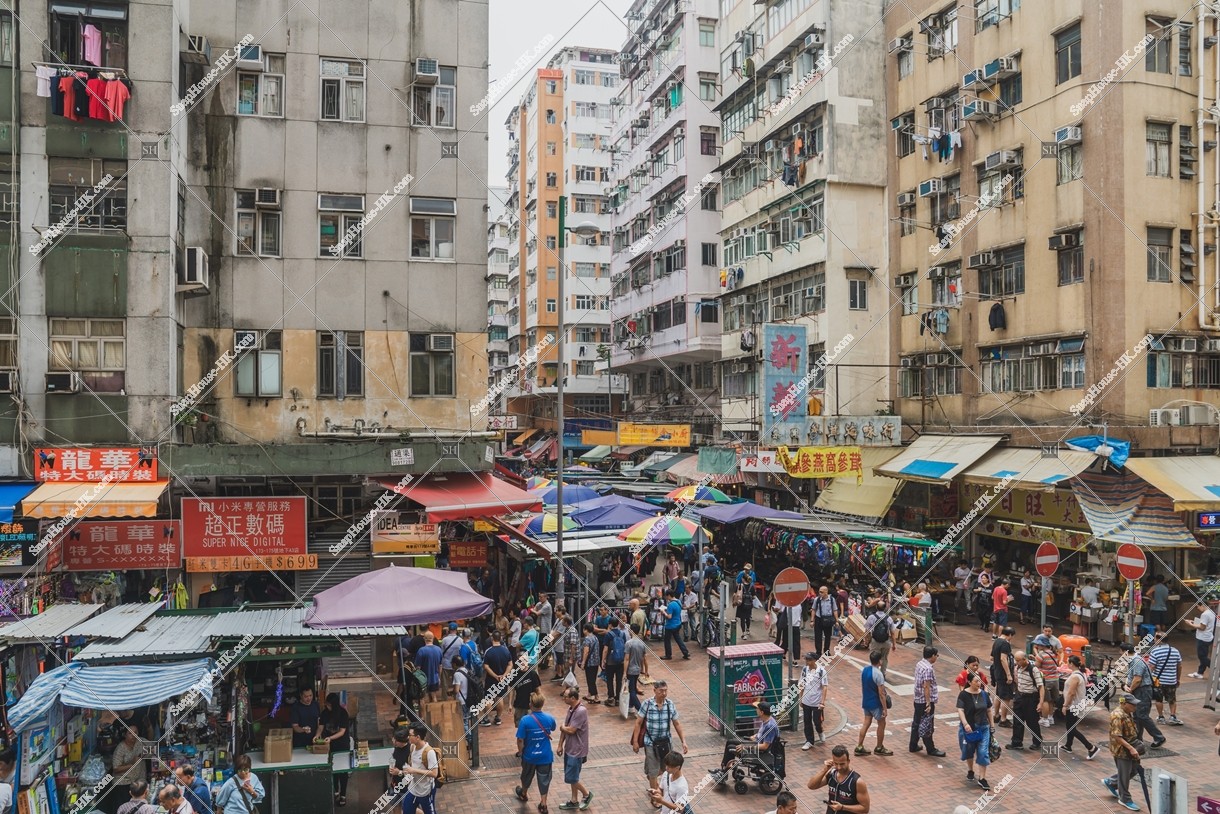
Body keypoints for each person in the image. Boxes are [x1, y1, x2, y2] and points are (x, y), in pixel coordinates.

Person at [632, 681, 689, 797]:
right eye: (661, 691)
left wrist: (684, 741)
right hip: (650, 743)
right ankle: (655, 797)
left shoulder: (670, 704)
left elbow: (676, 724)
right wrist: (635, 742)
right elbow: (638, 723)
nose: (663, 693)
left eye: (665, 691)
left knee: (666, 769)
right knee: (653, 771)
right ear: (655, 691)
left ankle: (655, 785)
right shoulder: (647, 704)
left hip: (666, 743)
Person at [515, 692, 557, 814]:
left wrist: (520, 751)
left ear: (530, 704)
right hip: (545, 755)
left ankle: (524, 793)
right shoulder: (549, 718)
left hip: (529, 755)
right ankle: (543, 804)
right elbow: (553, 728)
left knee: (526, 775)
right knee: (544, 779)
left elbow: (520, 739)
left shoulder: (525, 720)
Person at [1102, 694, 1143, 812]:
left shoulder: (1127, 712)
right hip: (1122, 750)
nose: (1135, 706)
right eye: (1133, 704)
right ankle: (1125, 799)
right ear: (1124, 704)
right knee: (1125, 775)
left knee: (1134, 770)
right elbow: (1117, 736)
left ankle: (1111, 782)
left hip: (1130, 746)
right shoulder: (1117, 716)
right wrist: (1131, 748)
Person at [1122, 642, 1166, 749]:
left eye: (1122, 652)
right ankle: (1137, 739)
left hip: (1143, 691)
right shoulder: (1134, 661)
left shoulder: (1137, 662)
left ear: (1126, 652)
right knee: (1137, 716)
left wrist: (1130, 690)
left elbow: (1137, 679)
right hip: (1139, 690)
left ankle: (1159, 737)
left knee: (1142, 715)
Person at [955, 670, 993, 790]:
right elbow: (960, 710)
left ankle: (982, 778)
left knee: (983, 751)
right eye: (976, 681)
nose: (979, 683)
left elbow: (989, 710)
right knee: (968, 750)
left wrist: (992, 725)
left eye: (980, 681)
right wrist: (965, 724)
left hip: (983, 727)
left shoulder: (984, 695)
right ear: (969, 682)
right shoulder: (963, 695)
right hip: (969, 729)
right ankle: (970, 770)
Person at [556, 688, 592, 811]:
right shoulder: (571, 709)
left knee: (571, 777)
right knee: (572, 775)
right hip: (569, 748)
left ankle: (586, 794)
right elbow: (566, 728)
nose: (563, 698)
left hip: (577, 750)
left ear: (573, 698)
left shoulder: (581, 711)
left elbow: (571, 730)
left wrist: (562, 728)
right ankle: (574, 800)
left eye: (565, 696)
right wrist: (560, 744)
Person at [808, 744, 871, 814]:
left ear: (848, 761)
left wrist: (842, 807)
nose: (839, 767)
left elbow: (865, 809)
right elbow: (811, 786)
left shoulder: (857, 782)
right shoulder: (831, 774)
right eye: (836, 763)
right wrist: (825, 769)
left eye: (842, 764)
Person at [1060, 655, 1101, 759]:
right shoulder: (1080, 674)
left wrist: (1065, 705)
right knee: (1071, 726)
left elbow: (1071, 693)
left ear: (1071, 664)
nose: (1066, 663)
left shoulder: (1075, 676)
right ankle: (1068, 746)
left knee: (1071, 728)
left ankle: (1091, 747)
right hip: (1077, 704)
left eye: (1067, 662)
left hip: (1073, 705)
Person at [394, 724, 439, 814]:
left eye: (410, 735)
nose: (408, 737)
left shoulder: (429, 752)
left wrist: (414, 770)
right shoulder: (412, 747)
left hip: (425, 791)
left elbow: (434, 773)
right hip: (413, 789)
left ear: (417, 737)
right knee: (407, 810)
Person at [910, 646, 946, 757]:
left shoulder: (920, 664)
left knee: (916, 723)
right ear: (933, 656)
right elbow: (926, 686)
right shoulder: (928, 669)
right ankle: (930, 749)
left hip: (917, 699)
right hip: (924, 701)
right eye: (937, 655)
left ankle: (913, 745)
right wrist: (928, 702)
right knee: (927, 724)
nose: (937, 657)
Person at [855, 651, 891, 756]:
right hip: (876, 703)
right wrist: (884, 708)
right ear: (879, 661)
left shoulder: (865, 670)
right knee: (881, 723)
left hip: (866, 701)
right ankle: (879, 747)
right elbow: (881, 694)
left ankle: (859, 746)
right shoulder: (878, 674)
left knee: (866, 723)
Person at [1008, 651, 1044, 750]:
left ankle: (1037, 741)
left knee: (1031, 721)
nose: (1016, 662)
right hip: (1020, 696)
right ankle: (1016, 742)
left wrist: (1040, 703)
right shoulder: (1017, 668)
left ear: (1025, 659)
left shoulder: (1033, 670)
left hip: (1030, 698)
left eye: (1018, 660)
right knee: (1017, 720)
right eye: (1016, 660)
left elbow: (1041, 687)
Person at [321, 693, 352, 806]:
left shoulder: (343, 714)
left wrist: (330, 737)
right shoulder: (325, 713)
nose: (326, 705)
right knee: (333, 768)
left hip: (342, 745)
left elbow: (342, 731)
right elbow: (321, 726)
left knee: (343, 770)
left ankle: (343, 794)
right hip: (331, 745)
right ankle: (335, 791)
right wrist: (317, 735)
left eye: (328, 704)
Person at [1147, 632, 1183, 726]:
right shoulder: (1175, 651)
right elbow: (1179, 666)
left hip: (1159, 681)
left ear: (1159, 640)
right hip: (1171, 680)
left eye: (1155, 638)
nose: (1154, 640)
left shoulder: (1155, 651)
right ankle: (1172, 716)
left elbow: (1151, 667)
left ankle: (1161, 717)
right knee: (1172, 699)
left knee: (1159, 699)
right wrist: (1177, 679)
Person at [483, 631, 512, 726]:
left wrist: (495, 675)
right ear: (500, 638)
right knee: (500, 698)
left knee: (489, 698)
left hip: (491, 679)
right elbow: (510, 664)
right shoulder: (506, 650)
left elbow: (486, 666)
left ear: (492, 639)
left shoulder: (489, 651)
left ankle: (486, 719)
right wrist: (504, 675)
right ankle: (498, 717)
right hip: (502, 679)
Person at [800, 651, 829, 749]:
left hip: (817, 701)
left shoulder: (821, 671)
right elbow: (802, 685)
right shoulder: (804, 670)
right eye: (806, 659)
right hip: (806, 700)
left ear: (815, 660)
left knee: (817, 721)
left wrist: (822, 702)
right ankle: (809, 741)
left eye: (809, 660)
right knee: (807, 721)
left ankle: (820, 731)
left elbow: (824, 687)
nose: (807, 661)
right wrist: (801, 698)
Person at [989, 627, 1016, 727]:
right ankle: (1003, 720)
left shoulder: (996, 641)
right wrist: (1009, 674)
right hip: (1004, 674)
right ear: (1009, 635)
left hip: (997, 672)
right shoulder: (1005, 643)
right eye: (1011, 637)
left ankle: (996, 715)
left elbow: (992, 657)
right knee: (1006, 697)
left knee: (998, 694)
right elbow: (1003, 659)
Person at [1033, 635, 1061, 728]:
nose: (1037, 646)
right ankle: (1050, 717)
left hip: (1046, 680)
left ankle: (1044, 720)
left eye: (1038, 644)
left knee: (1045, 699)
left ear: (1042, 645)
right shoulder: (1054, 653)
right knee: (1052, 700)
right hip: (1055, 679)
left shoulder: (1041, 655)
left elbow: (1036, 666)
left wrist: (1034, 659)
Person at [112, 728, 147, 802]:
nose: (133, 735)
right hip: (123, 783)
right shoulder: (120, 748)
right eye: (130, 733)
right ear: (125, 735)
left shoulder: (140, 741)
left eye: (135, 732)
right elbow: (116, 768)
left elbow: (153, 748)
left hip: (137, 781)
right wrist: (132, 764)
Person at [1186, 598, 1217, 679]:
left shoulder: (1205, 614)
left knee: (1202, 657)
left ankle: (1216, 671)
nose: (1198, 609)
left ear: (1202, 605)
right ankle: (1200, 672)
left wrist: (1190, 624)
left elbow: (1202, 627)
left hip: (1203, 637)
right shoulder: (1211, 612)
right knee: (1204, 655)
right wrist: (1193, 622)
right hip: (1208, 636)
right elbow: (1204, 624)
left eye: (1198, 607)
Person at [601, 617, 627, 706]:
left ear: (610, 624)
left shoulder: (608, 635)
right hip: (620, 661)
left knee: (610, 680)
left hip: (610, 661)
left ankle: (611, 698)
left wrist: (603, 660)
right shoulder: (622, 634)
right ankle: (618, 698)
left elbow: (605, 649)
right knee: (619, 680)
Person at [625, 623, 650, 714]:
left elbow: (627, 659)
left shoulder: (629, 643)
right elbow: (645, 659)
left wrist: (624, 672)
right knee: (633, 687)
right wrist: (646, 671)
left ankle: (640, 709)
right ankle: (631, 707)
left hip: (630, 670)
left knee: (631, 691)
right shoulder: (642, 643)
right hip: (638, 669)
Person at [660, 588, 690, 660]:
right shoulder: (678, 602)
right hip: (678, 623)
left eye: (667, 596)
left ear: (669, 595)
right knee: (678, 639)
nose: (666, 598)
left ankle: (668, 655)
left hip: (670, 625)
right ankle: (685, 652)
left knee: (667, 640)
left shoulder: (671, 604)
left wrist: (663, 612)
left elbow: (669, 617)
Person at [863, 606, 894, 675]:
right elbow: (892, 633)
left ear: (876, 608)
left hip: (875, 642)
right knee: (884, 658)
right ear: (884, 608)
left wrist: (866, 640)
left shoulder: (871, 617)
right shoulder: (889, 618)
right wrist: (894, 644)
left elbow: (867, 630)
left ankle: (875, 674)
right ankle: (883, 674)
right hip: (886, 642)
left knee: (875, 659)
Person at [811, 585, 838, 660]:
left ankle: (826, 651)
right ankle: (818, 652)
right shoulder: (817, 600)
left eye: (822, 592)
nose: (820, 593)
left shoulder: (832, 600)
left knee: (828, 636)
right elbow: (813, 609)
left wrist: (836, 621)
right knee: (818, 636)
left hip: (828, 620)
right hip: (819, 619)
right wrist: (812, 620)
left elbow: (835, 610)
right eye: (819, 592)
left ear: (826, 592)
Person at [415, 631, 443, 703]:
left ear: (424, 639)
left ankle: (423, 714)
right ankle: (434, 712)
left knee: (423, 698)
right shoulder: (439, 650)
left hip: (423, 679)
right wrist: (439, 677)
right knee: (434, 696)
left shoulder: (421, 650)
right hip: (435, 678)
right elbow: (440, 666)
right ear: (433, 638)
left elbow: (418, 667)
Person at [578, 623, 602, 704]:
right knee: (593, 678)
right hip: (596, 662)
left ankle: (596, 697)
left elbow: (586, 651)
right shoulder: (595, 638)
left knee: (590, 680)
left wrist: (583, 662)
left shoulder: (587, 639)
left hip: (590, 662)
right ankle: (589, 694)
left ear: (586, 630)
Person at [439, 622, 463, 697]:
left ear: (449, 630)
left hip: (446, 663)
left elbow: (441, 652)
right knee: (456, 682)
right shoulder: (460, 640)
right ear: (456, 630)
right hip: (456, 664)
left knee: (445, 683)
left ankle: (444, 698)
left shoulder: (444, 640)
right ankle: (456, 698)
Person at [736, 564, 757, 639]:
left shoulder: (740, 586)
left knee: (742, 618)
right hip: (749, 605)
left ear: (743, 579)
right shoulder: (752, 586)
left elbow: (737, 595)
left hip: (741, 604)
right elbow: (754, 596)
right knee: (748, 617)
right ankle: (748, 630)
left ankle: (743, 633)